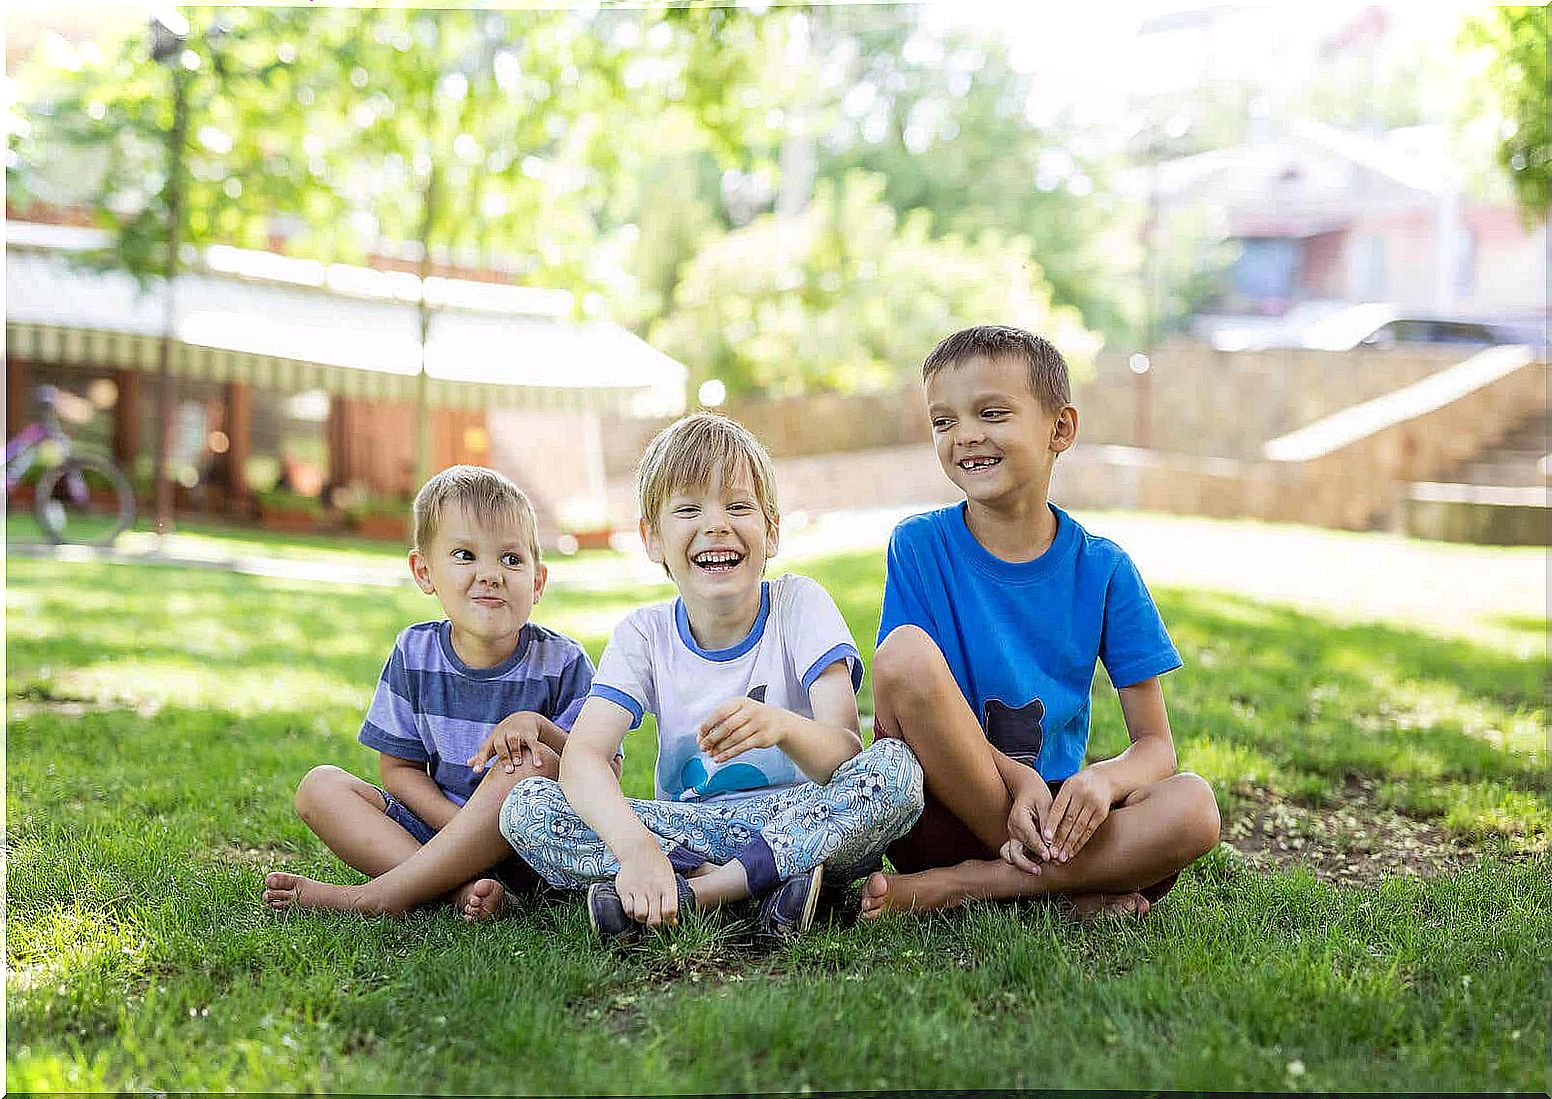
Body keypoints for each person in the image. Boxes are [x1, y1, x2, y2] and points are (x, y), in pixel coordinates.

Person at [502, 412, 924, 941]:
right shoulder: (644, 635)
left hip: (800, 818)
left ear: (771, 533)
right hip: (685, 831)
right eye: (689, 509)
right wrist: (638, 849)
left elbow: (845, 754)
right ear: (652, 540)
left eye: (738, 506)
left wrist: (784, 729)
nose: (716, 524)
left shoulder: (800, 605)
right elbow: (584, 757)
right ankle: (755, 886)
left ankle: (695, 894)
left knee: (896, 771)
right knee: (526, 806)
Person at [858, 325, 1221, 921]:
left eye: (992, 413)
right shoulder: (918, 546)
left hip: (1055, 822)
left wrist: (1102, 781)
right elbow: (901, 695)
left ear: (1061, 429)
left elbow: (1156, 747)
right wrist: (1016, 781)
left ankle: (971, 887)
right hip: (942, 812)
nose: (965, 436)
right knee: (903, 653)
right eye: (943, 421)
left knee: (1195, 806)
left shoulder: (1103, 569)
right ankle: (1069, 889)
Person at [262, 465, 597, 921]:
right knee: (319, 786)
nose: (491, 574)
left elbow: (599, 770)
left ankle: (376, 897)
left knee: (522, 766)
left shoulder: (563, 661)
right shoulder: (414, 652)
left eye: (511, 559)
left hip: (530, 841)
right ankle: (457, 889)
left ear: (537, 581)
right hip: (435, 828)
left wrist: (539, 732)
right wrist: (457, 829)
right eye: (464, 555)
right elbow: (398, 768)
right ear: (425, 572)